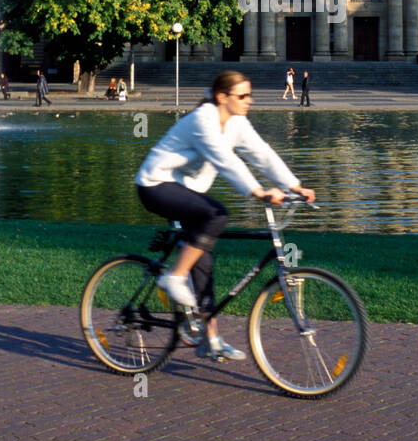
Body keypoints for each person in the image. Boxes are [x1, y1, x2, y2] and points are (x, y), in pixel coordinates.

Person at [135, 70, 315, 361]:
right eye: (243, 95)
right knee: (218, 214)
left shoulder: (236, 123)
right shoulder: (203, 120)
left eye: (249, 94)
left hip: (187, 192)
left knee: (203, 260)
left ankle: (211, 339)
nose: (250, 101)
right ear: (223, 97)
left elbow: (262, 153)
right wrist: (257, 191)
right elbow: (225, 159)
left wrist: (293, 185)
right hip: (155, 184)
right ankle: (174, 277)